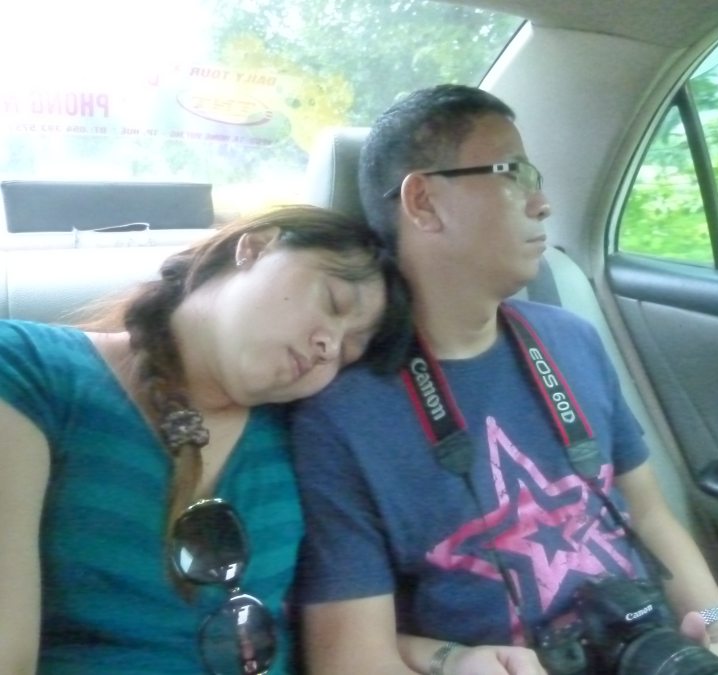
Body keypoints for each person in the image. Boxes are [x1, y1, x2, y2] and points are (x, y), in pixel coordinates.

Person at [290, 85, 718, 675]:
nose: (542, 203)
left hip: (661, 649)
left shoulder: (569, 339)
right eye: (513, 173)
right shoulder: (343, 416)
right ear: (423, 202)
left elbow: (650, 514)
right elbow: (351, 660)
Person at [0, 204, 410, 675]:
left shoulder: (309, 438)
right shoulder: (30, 370)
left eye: (348, 352)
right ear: (255, 247)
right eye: (334, 302)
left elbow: (352, 631)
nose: (329, 346)